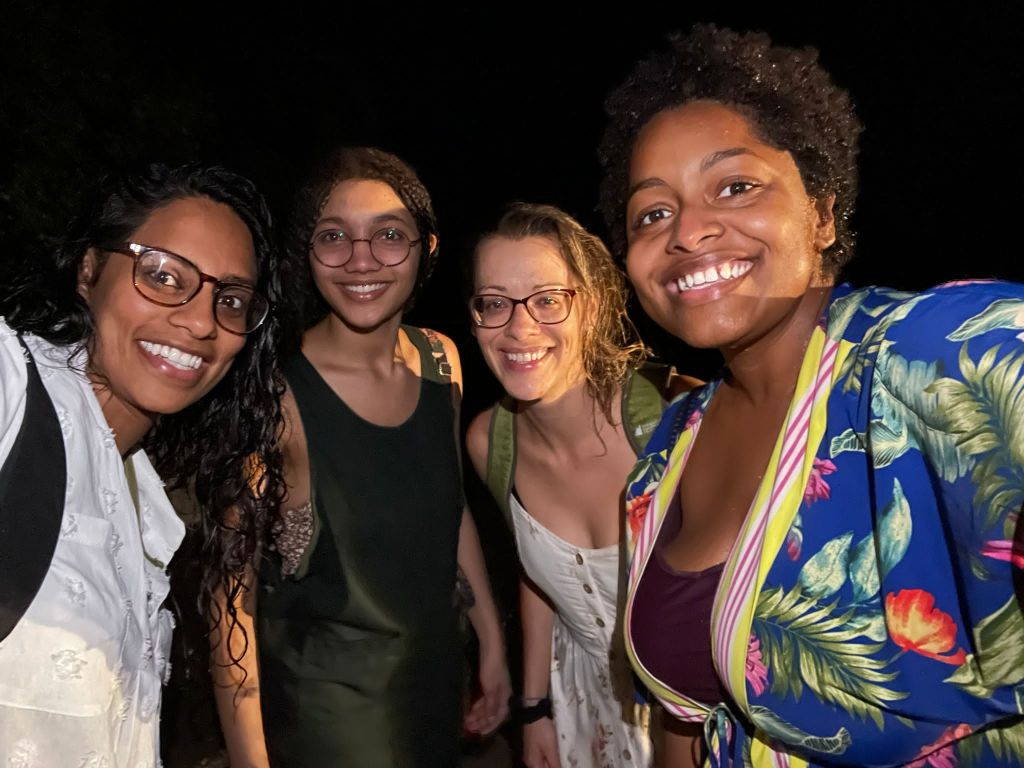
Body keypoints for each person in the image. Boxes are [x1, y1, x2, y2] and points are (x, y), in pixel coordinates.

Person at [597, 23, 1024, 767]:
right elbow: (683, 725)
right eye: (653, 213)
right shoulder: (665, 455)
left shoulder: (930, 357)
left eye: (735, 186)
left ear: (821, 214)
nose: (688, 231)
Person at [213, 145, 511, 767]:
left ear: (427, 248)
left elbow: (450, 507)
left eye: (389, 234)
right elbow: (229, 592)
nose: (361, 259)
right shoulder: (275, 393)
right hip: (328, 722)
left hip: (433, 692)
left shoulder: (441, 361)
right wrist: (248, 756)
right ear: (307, 252)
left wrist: (490, 639)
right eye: (333, 236)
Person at [0, 162, 285, 767]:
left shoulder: (143, 497)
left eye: (231, 300)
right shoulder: (13, 389)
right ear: (88, 270)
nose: (202, 321)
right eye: (162, 275)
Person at [465, 202, 696, 768]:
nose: (519, 328)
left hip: (690, 718)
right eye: (494, 303)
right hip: (580, 709)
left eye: (547, 300)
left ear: (589, 308)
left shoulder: (679, 418)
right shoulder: (490, 442)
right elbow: (538, 572)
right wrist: (534, 708)